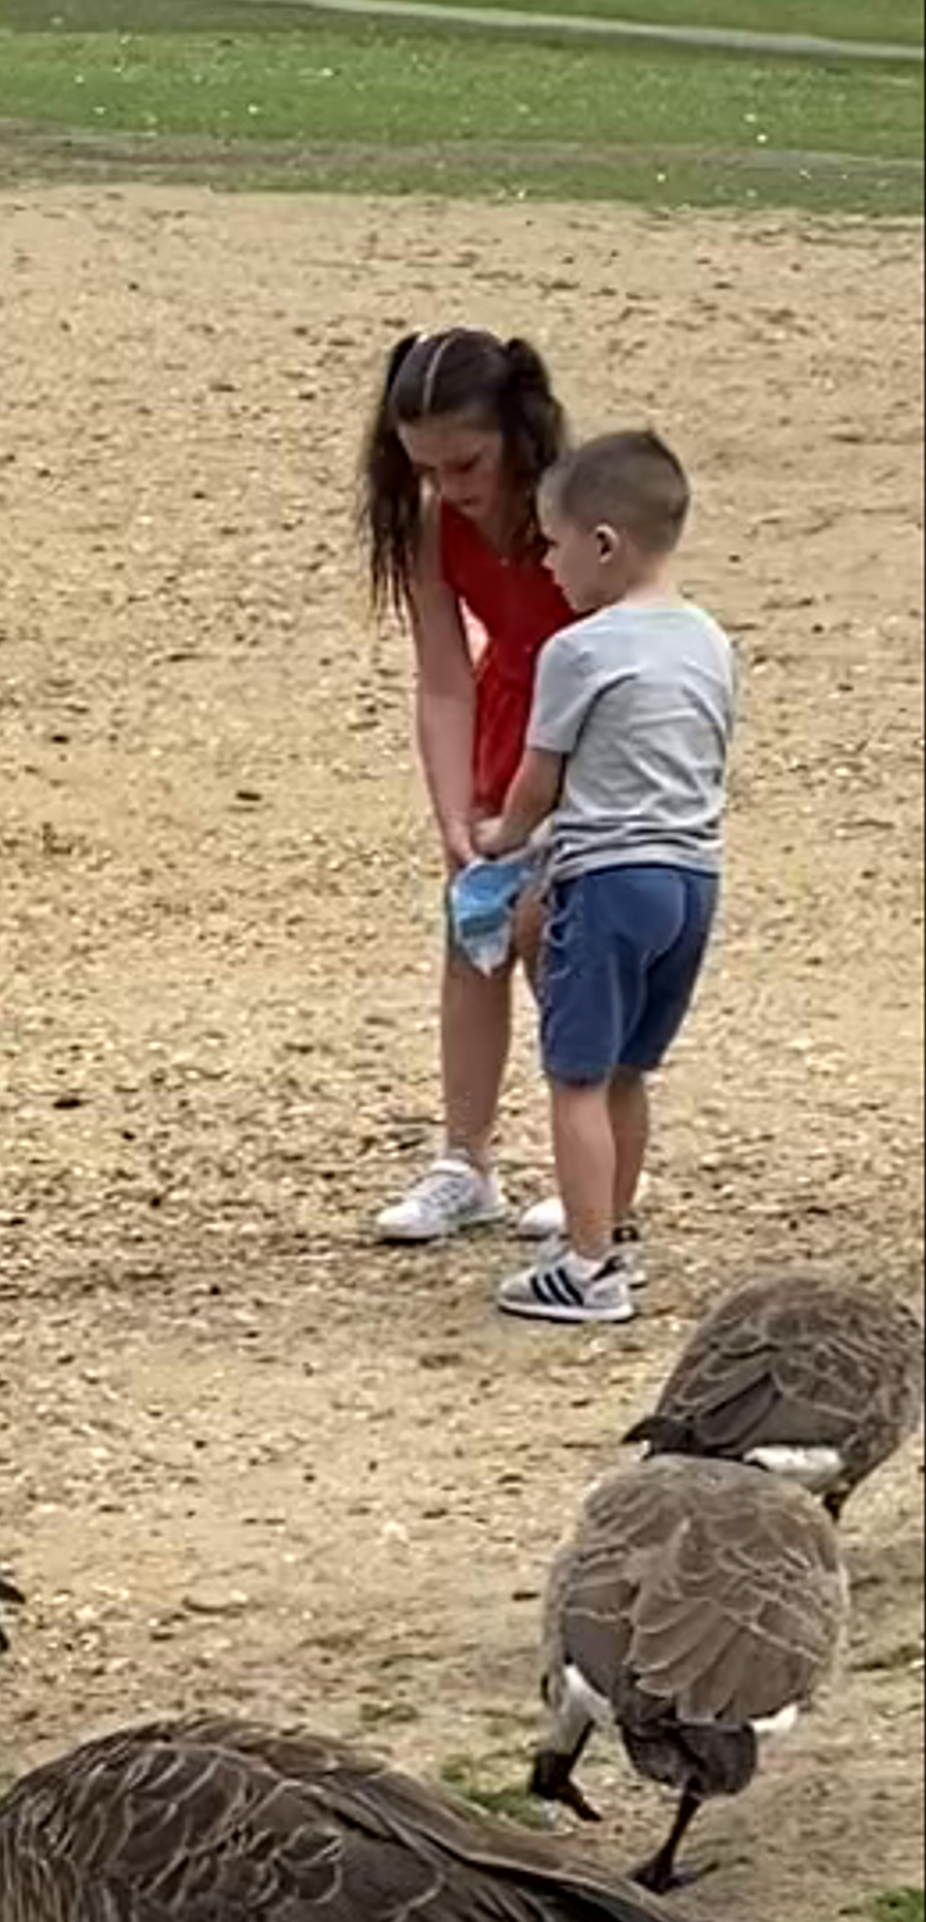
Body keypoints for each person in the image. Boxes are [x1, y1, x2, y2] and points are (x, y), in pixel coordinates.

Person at [468, 434, 735, 1332]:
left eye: (554, 543)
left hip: (610, 881)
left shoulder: (578, 651)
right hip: (691, 879)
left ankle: (587, 1271)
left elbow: (539, 779)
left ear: (605, 543)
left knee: (576, 1074)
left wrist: (501, 839)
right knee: (628, 1068)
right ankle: (612, 1230)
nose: (547, 563)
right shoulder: (710, 640)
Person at [362, 320, 573, 1248]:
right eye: (427, 469)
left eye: (466, 463)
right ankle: (466, 1160)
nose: (449, 487)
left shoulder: (575, 508)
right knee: (475, 928)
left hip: (588, 729)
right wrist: (454, 812)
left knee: (562, 938)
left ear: (514, 431)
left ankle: (597, 1164)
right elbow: (444, 674)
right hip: (503, 723)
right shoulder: (431, 523)